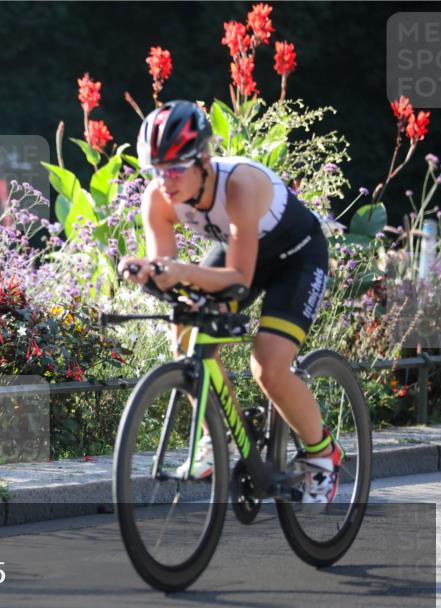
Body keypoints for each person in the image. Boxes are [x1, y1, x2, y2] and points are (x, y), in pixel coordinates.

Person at [118, 99, 342, 507]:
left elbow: (239, 278)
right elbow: (169, 273)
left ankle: (323, 453)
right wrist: (149, 272)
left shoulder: (239, 184)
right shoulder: (158, 198)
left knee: (268, 366)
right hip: (241, 253)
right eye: (156, 170)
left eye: (175, 169)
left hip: (296, 258)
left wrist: (177, 270)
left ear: (203, 159)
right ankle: (218, 438)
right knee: (187, 332)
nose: (165, 181)